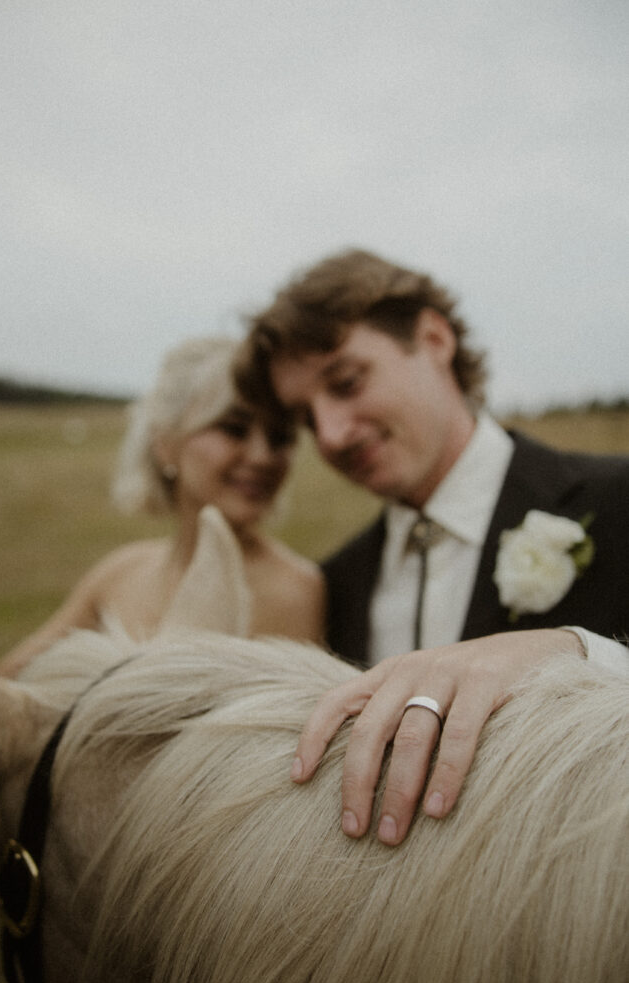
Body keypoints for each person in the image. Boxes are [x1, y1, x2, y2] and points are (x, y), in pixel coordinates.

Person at [235, 247, 629, 843]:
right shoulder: (335, 583)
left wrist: (576, 654)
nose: (331, 436)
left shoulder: (619, 499)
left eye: (346, 382)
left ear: (434, 339)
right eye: (307, 419)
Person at [0, 336, 324, 678]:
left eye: (280, 437)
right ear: (165, 443)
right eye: (234, 429)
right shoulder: (120, 573)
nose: (262, 456)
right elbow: (4, 684)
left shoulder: (291, 590)